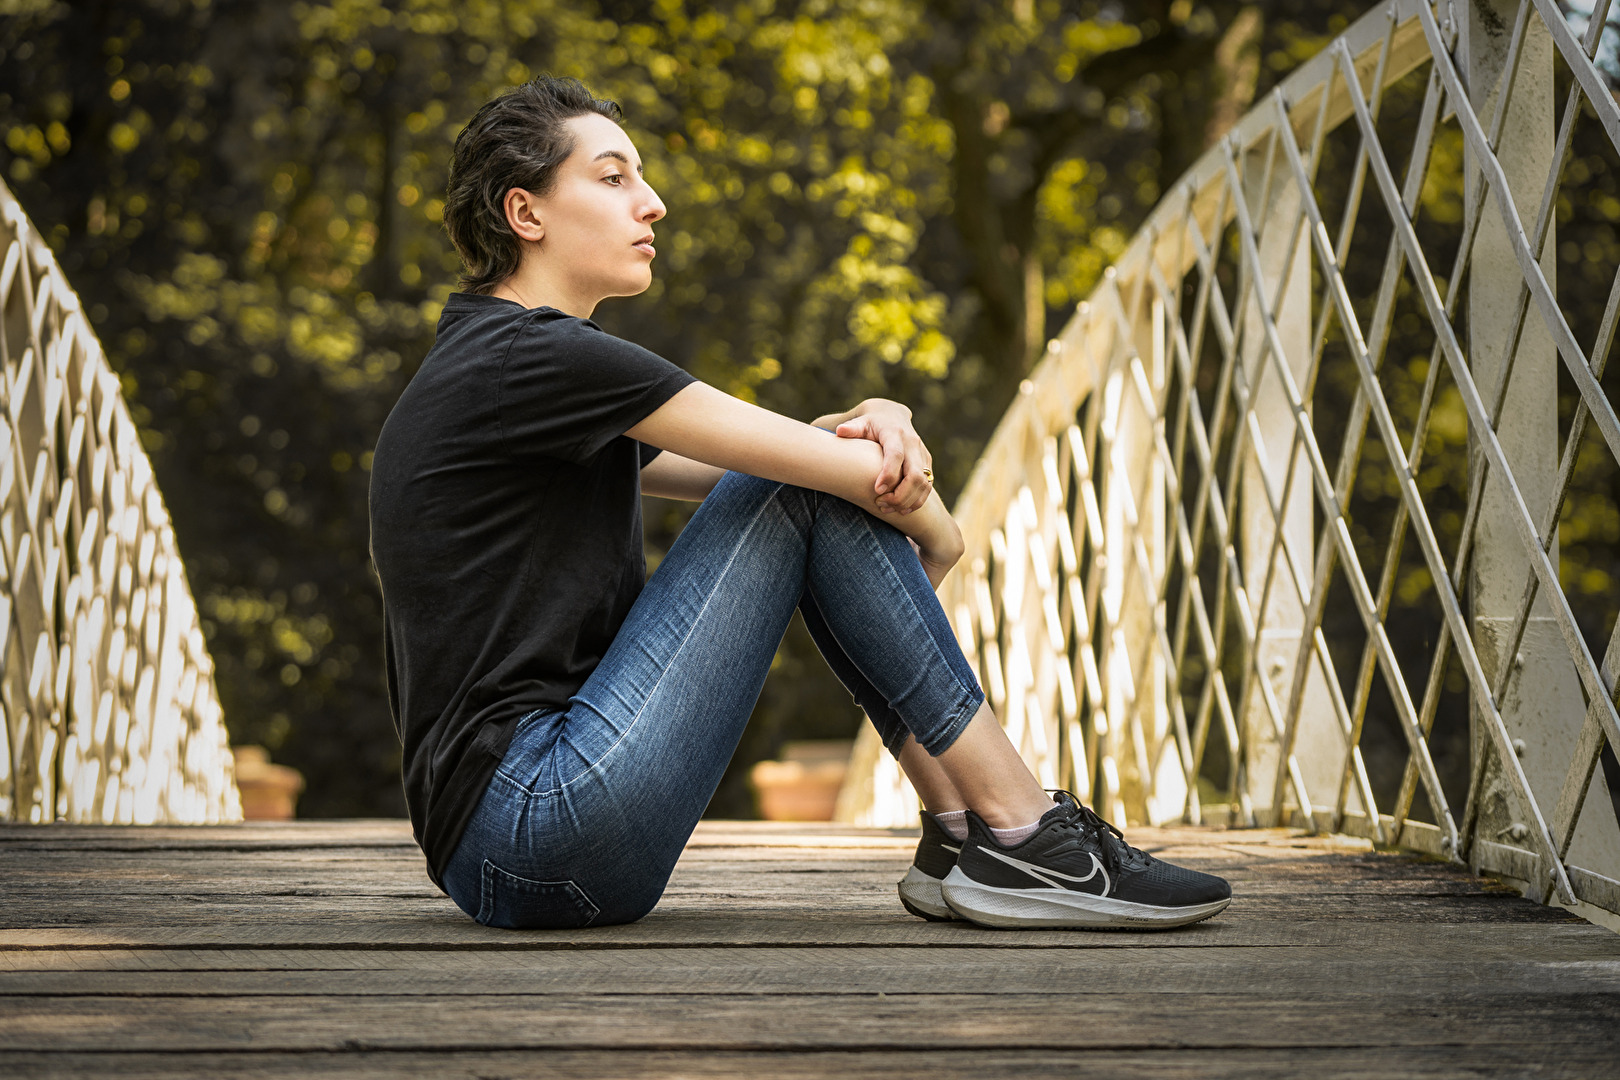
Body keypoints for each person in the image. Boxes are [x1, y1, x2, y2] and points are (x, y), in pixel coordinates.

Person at [368, 75, 1230, 932]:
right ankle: (1025, 831)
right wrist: (933, 527)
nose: (653, 203)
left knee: (799, 486)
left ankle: (964, 834)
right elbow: (831, 482)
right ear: (526, 214)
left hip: (509, 849)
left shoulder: (499, 364)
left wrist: (877, 419)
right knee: (803, 490)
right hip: (535, 825)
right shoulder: (540, 358)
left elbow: (787, 459)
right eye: (613, 177)